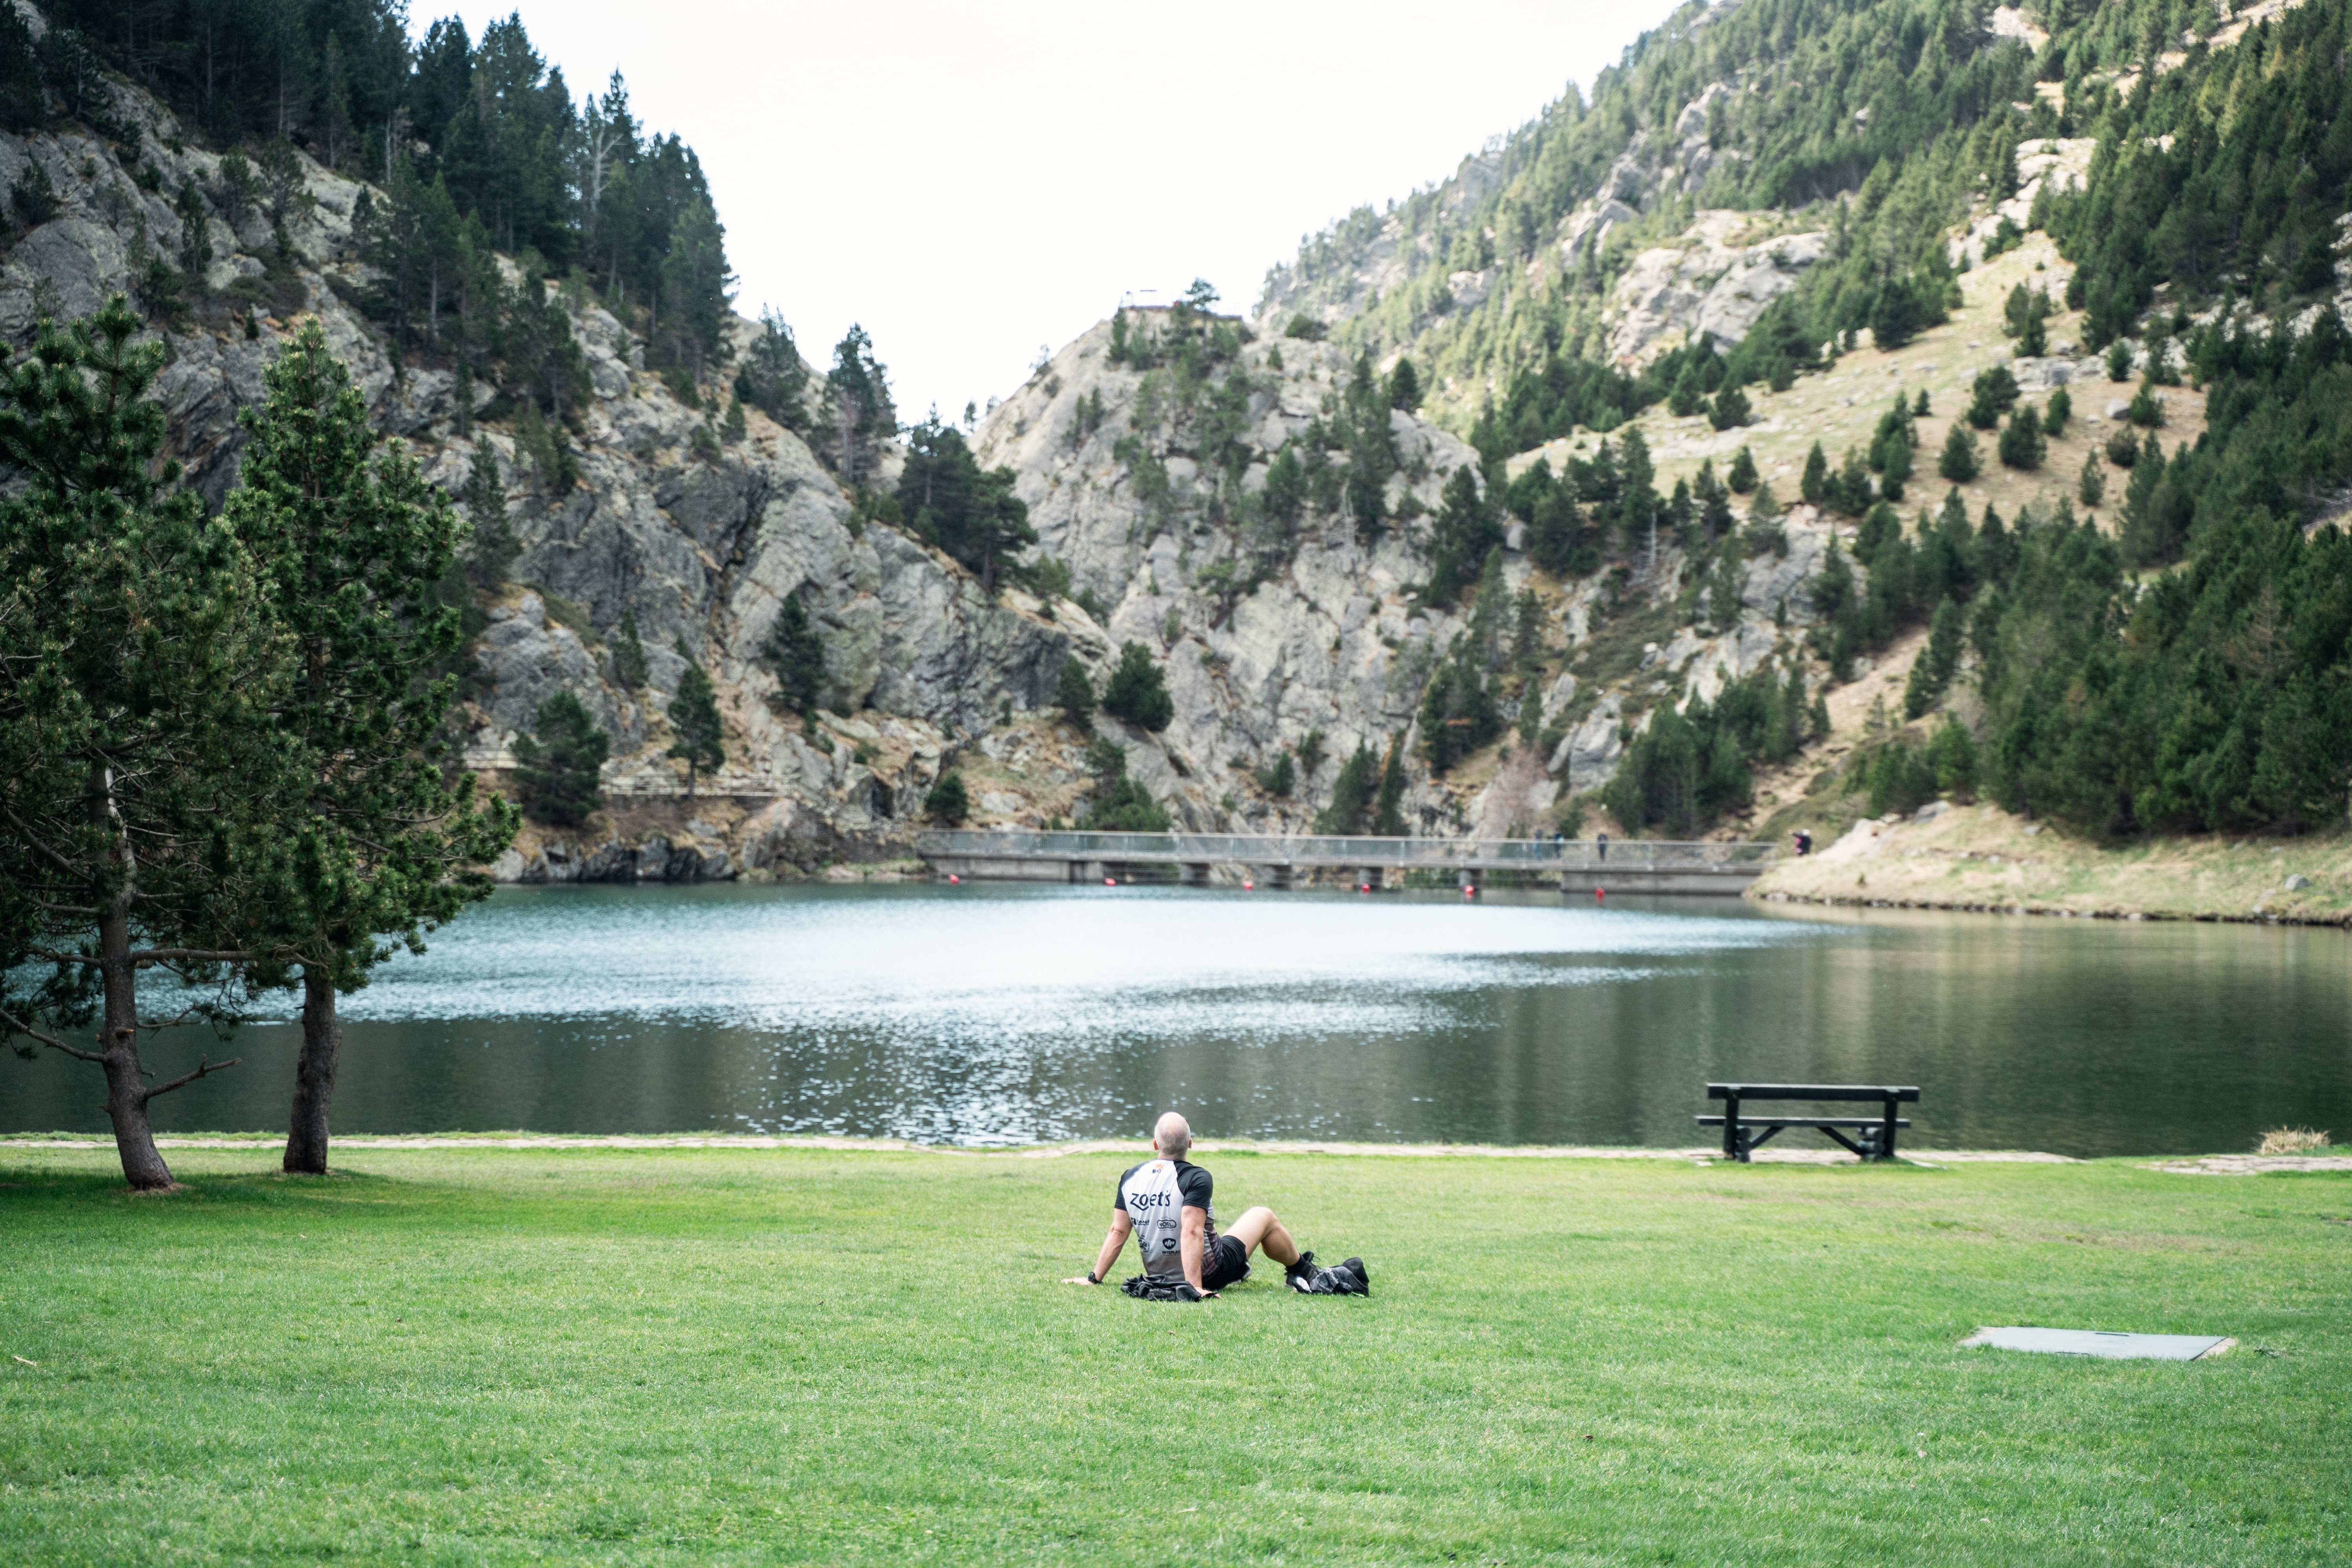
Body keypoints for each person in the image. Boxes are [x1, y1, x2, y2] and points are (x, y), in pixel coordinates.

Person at [1063, 1112, 1310, 1298]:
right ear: (1190, 1143)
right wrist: (1195, 1288)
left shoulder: (1130, 1177)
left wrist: (1094, 1279)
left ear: (1155, 1145)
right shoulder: (1197, 1177)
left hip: (1158, 1275)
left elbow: (1118, 1231)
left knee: (1218, 1236)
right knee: (1262, 1215)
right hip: (1209, 1273)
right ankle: (1301, 1270)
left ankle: (1242, 1270)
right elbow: (1191, 1232)